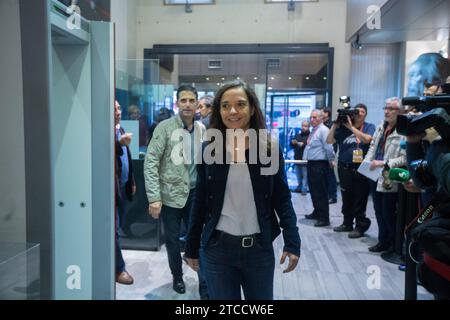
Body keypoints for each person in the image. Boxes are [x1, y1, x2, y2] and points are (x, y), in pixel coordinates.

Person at [184, 80, 300, 300]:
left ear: (252, 108)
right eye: (225, 105)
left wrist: (292, 241)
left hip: (258, 249)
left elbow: (282, 199)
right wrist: (191, 245)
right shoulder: (210, 148)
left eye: (240, 104)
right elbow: (199, 199)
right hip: (217, 249)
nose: (233, 111)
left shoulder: (269, 148)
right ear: (218, 111)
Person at [143, 85, 208, 298]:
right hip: (170, 196)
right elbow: (151, 161)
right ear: (177, 103)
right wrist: (154, 197)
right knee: (172, 241)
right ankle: (177, 276)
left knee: (198, 239)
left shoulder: (202, 130)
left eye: (191, 100)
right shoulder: (164, 127)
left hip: (196, 195)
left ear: (198, 104)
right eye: (183, 100)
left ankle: (204, 282)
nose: (187, 104)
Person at [326, 104, 376, 238]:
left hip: (361, 169)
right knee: (346, 197)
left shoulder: (369, 126)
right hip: (344, 167)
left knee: (360, 198)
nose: (359, 113)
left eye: (362, 112)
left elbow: (367, 139)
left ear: (365, 114)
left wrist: (351, 128)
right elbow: (329, 140)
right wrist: (335, 125)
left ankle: (360, 226)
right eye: (357, 111)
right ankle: (347, 223)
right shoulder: (342, 128)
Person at [364, 97, 407, 252]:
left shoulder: (404, 131)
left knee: (389, 213)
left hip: (390, 176)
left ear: (401, 111)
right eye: (386, 108)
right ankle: (383, 241)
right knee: (378, 211)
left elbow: (405, 158)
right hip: (375, 174)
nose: (387, 111)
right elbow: (373, 147)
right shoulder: (381, 127)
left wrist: (383, 163)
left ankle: (395, 245)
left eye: (392, 108)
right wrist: (367, 162)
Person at [114, 101, 136, 285]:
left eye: (119, 108)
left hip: (122, 186)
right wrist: (117, 144)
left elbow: (126, 157)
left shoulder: (121, 129)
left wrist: (131, 181)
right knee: (113, 230)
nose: (118, 112)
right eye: (114, 109)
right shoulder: (102, 130)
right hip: (109, 189)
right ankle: (119, 269)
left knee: (118, 227)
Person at [303, 109, 336, 227]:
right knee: (313, 191)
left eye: (315, 117)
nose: (312, 119)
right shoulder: (314, 131)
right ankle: (317, 212)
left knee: (320, 192)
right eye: (311, 117)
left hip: (320, 165)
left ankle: (324, 218)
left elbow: (329, 147)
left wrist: (331, 160)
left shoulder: (324, 130)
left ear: (322, 118)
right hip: (312, 164)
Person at [323, 107, 338, 204]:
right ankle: (328, 195)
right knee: (327, 175)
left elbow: (331, 141)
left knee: (330, 175)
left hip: (329, 153)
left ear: (327, 114)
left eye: (323, 113)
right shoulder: (323, 125)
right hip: (324, 154)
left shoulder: (331, 125)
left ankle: (333, 196)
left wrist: (331, 157)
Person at [290, 120, 310, 195]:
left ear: (308, 127)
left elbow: (308, 146)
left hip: (305, 160)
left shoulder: (310, 136)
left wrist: (302, 144)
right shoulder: (297, 135)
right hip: (297, 159)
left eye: (305, 126)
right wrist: (292, 143)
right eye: (302, 126)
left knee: (305, 176)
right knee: (299, 176)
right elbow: (292, 146)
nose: (303, 127)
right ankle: (299, 188)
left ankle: (304, 190)